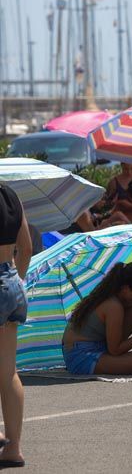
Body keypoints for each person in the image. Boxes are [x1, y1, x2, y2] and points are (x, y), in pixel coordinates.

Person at [0, 184, 32, 469]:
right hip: (12, 281)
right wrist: (15, 282)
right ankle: (13, 448)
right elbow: (27, 247)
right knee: (8, 372)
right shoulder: (11, 195)